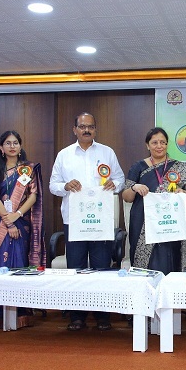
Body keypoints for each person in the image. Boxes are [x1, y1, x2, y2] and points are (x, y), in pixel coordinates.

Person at [49, 112, 125, 331]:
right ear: (75, 130)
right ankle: (77, 316)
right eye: (82, 127)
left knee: (102, 267)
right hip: (74, 221)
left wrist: (114, 185)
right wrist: (65, 186)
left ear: (95, 129)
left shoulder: (106, 152)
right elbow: (53, 185)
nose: (86, 130)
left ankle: (103, 316)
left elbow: (119, 179)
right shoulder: (64, 155)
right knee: (76, 268)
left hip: (100, 221)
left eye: (90, 126)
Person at [0, 130, 46, 329]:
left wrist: (17, 216)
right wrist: (7, 221)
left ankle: (20, 314)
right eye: (8, 143)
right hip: (0, 221)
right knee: (0, 265)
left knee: (19, 263)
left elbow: (33, 196)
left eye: (16, 143)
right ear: (1, 148)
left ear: (20, 147)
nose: (12, 146)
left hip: (21, 221)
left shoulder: (29, 169)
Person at [122, 128, 186, 276]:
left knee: (170, 258)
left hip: (170, 224)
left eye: (162, 142)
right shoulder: (138, 167)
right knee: (146, 266)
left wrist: (184, 194)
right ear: (147, 145)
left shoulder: (180, 168)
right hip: (143, 223)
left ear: (167, 144)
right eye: (154, 142)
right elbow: (127, 197)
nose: (159, 146)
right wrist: (135, 187)